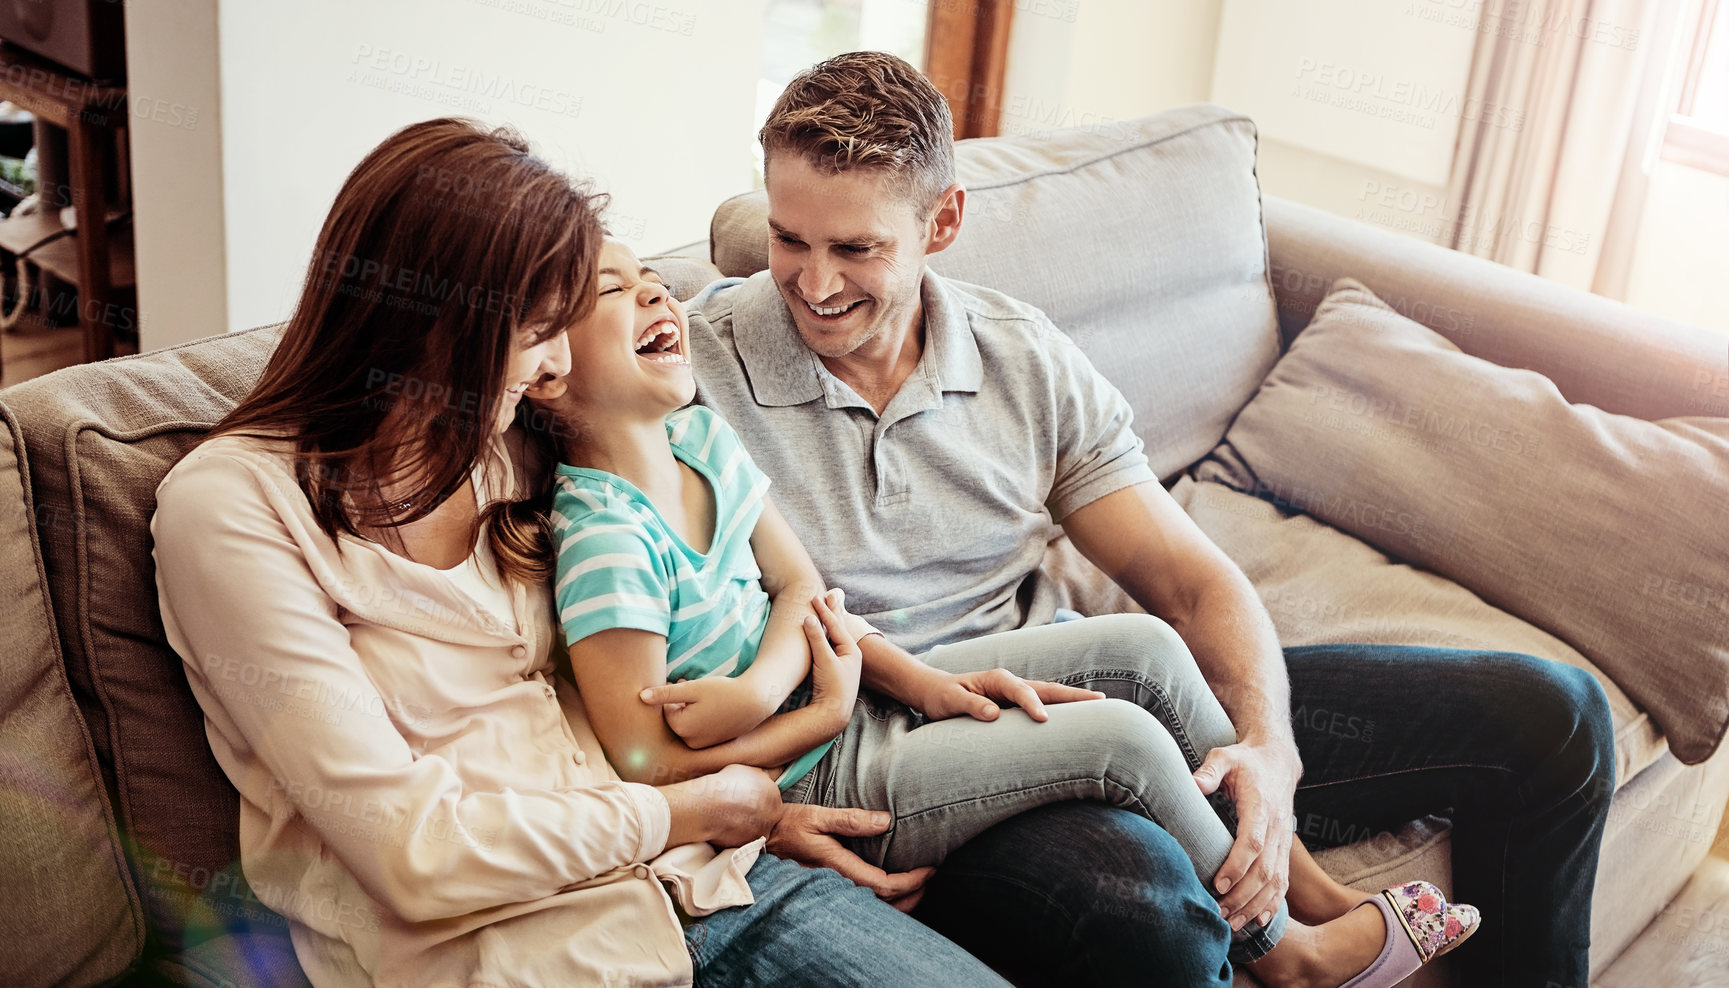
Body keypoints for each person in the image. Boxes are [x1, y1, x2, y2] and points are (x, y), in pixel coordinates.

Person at [681, 51, 1618, 988]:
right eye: (788, 239)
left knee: (1553, 721)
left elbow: (1189, 583)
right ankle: (1293, 950)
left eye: (855, 250)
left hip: (1074, 686)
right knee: (1150, 919)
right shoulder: (685, 373)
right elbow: (603, 663)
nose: (812, 283)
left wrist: (1266, 751)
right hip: (909, 773)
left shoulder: (1018, 357)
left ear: (944, 222)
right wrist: (751, 807)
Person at [151, 118, 1014, 987]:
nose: (555, 360)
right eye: (538, 328)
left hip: (714, 880)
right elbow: (410, 852)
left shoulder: (500, 446)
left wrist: (754, 808)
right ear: (440, 322)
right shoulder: (233, 510)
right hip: (523, 953)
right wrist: (687, 808)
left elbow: (631, 675)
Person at [522, 236, 1482, 988]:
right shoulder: (606, 540)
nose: (657, 292)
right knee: (1122, 741)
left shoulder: (700, 440)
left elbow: (808, 595)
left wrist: (906, 685)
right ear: (545, 373)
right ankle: (1292, 959)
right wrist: (808, 712)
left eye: (648, 273)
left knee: (1147, 650)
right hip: (818, 780)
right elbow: (639, 762)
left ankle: (1302, 886)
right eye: (615, 291)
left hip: (851, 702)